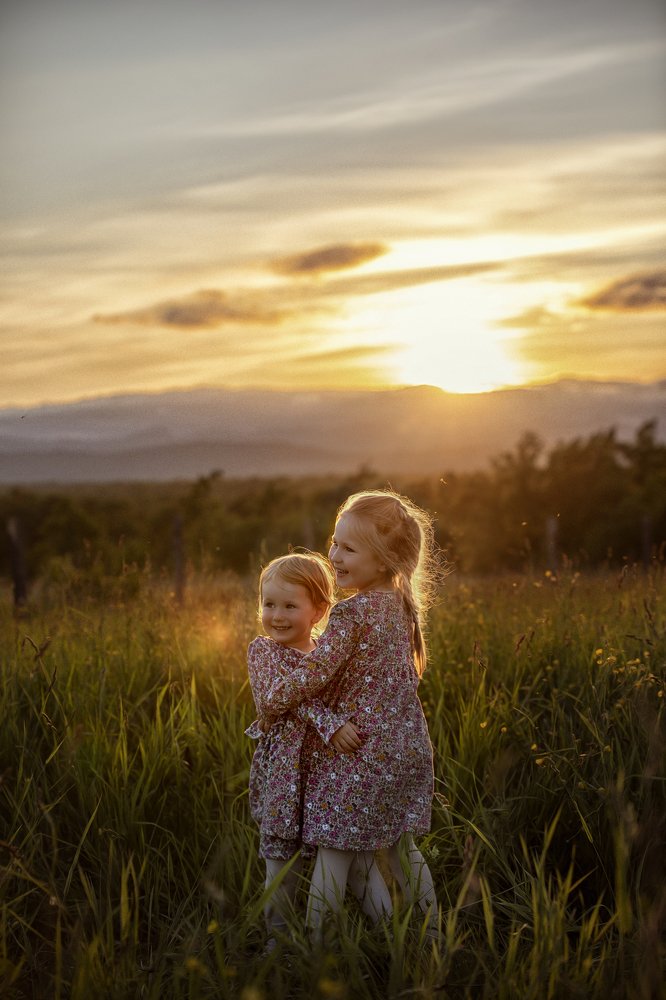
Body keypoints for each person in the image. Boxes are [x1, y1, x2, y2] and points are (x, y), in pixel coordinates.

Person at [261, 490, 441, 937]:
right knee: (403, 848)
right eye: (334, 542)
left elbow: (314, 674)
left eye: (348, 548)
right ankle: (431, 933)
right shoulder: (401, 607)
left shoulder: (351, 613)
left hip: (360, 752)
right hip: (406, 748)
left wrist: (273, 697)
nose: (334, 555)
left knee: (332, 851)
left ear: (383, 561)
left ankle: (315, 948)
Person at [245, 551, 392, 947]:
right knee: (281, 866)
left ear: (318, 610)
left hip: (329, 775)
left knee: (350, 855)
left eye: (290, 605)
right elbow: (277, 697)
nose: (276, 614)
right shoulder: (264, 652)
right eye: (268, 603)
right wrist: (330, 724)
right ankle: (278, 948)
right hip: (285, 775)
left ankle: (390, 940)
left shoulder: (329, 651)